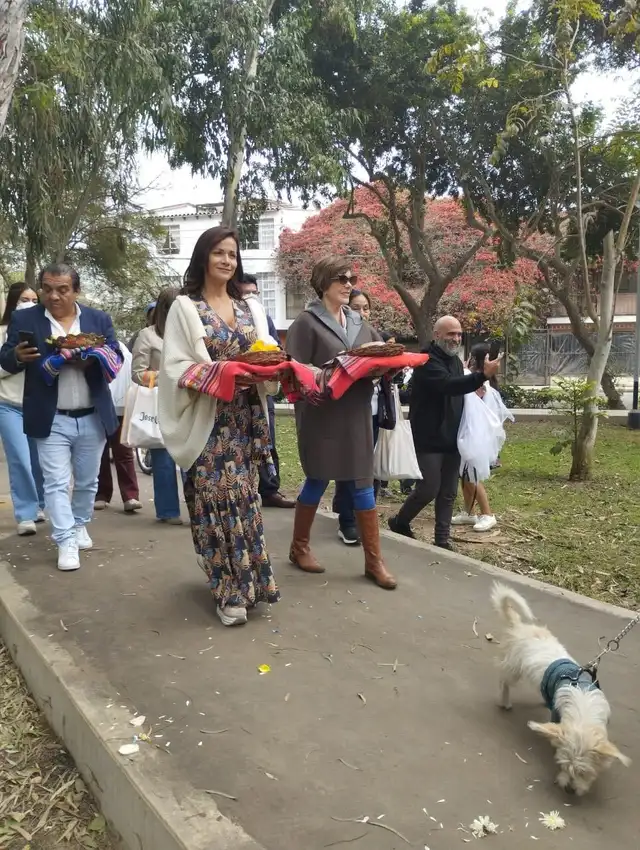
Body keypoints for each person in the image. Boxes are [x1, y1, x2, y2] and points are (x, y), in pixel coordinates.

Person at [158, 226, 280, 627]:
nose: (227, 260)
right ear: (203, 257)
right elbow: (175, 367)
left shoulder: (248, 308)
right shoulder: (185, 307)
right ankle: (228, 592)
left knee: (244, 501)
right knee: (216, 501)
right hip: (207, 422)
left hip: (245, 421)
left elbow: (264, 352)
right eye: (219, 252)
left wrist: (270, 366)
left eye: (232, 253)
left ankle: (250, 583)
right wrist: (223, 373)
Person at [0, 263, 122, 571]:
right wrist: (17, 357)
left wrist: (94, 358)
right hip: (50, 416)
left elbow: (116, 356)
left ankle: (79, 523)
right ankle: (65, 540)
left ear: (76, 291)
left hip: (92, 415)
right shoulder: (25, 319)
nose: (53, 296)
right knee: (55, 482)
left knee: (87, 481)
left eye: (62, 290)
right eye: (47, 289)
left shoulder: (97, 319)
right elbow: (6, 358)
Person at [285, 256, 397, 590]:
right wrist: (331, 373)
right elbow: (293, 370)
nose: (349, 285)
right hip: (322, 415)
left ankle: (374, 561)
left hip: (357, 413)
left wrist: (387, 365)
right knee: (318, 479)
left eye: (351, 279)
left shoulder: (359, 321)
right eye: (341, 279)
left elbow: (377, 356)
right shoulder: (306, 323)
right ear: (323, 283)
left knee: (363, 483)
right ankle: (299, 548)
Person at [388, 315, 501, 550]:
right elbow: (447, 385)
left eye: (459, 334)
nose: (456, 338)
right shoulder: (426, 361)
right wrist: (481, 375)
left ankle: (442, 540)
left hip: (453, 437)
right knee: (429, 488)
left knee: (448, 492)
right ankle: (400, 521)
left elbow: (459, 389)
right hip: (428, 438)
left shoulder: (455, 361)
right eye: (451, 334)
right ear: (437, 335)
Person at [236, 273, 294, 509]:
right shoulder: (230, 319)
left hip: (262, 389)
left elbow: (276, 348)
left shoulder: (264, 318)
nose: (251, 297)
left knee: (267, 438)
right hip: (237, 390)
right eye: (246, 293)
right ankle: (243, 490)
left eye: (254, 293)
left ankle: (270, 489)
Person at [132, 287, 182, 524]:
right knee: (163, 460)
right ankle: (168, 510)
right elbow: (137, 373)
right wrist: (168, 376)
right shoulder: (147, 336)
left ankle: (199, 509)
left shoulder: (193, 333)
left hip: (190, 402)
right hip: (160, 404)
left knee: (195, 459)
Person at [452, 342, 513, 533]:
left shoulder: (478, 381)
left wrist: (463, 372)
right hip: (474, 434)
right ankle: (468, 512)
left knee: (472, 475)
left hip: (473, 436)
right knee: (466, 475)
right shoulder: (484, 380)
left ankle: (487, 514)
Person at [0, 282, 46, 535]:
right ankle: (25, 513)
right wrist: (15, 360)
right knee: (20, 459)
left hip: (37, 403)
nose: (29, 304)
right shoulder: (2, 332)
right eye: (24, 300)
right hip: (8, 405)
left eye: (34, 300)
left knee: (39, 461)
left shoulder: (43, 331)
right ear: (13, 302)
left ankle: (40, 504)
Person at [95, 340, 142, 513]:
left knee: (123, 452)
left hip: (121, 408)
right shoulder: (93, 347)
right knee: (100, 453)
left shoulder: (121, 349)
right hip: (98, 408)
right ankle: (101, 494)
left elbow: (130, 377)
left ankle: (130, 496)